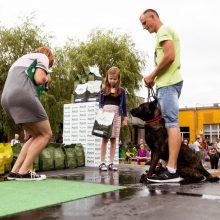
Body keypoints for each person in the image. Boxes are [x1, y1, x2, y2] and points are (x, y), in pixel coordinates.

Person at [140, 9, 183, 182]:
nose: (144, 27)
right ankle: (167, 167)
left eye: (145, 22)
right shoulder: (165, 32)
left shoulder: (163, 31)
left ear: (153, 16)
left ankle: (172, 171)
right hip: (168, 82)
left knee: (171, 123)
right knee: (169, 123)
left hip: (168, 83)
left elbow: (170, 56)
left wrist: (152, 75)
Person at [1, 47, 54, 180]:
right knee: (46, 134)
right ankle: (24, 171)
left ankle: (15, 171)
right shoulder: (42, 57)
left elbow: (25, 83)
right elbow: (39, 79)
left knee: (36, 136)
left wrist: (27, 126)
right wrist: (47, 78)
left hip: (7, 99)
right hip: (22, 96)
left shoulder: (20, 61)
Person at [98, 66, 128, 171]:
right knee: (104, 139)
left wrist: (125, 118)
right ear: (107, 78)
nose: (112, 81)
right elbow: (100, 103)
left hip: (116, 116)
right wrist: (101, 111)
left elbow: (124, 106)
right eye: (110, 78)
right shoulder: (103, 90)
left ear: (118, 79)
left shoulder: (122, 91)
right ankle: (102, 162)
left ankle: (111, 162)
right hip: (106, 116)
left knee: (114, 139)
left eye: (115, 79)